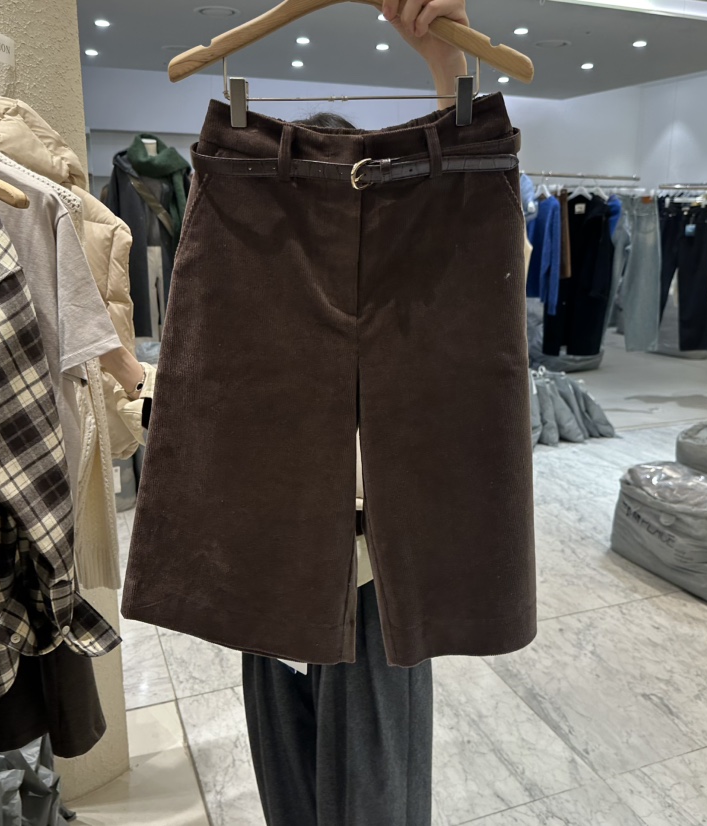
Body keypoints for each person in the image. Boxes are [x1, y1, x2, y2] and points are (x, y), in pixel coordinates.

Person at [240, 2, 473, 825]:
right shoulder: (256, 287)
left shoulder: (413, 290)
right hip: (272, 572)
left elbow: (474, 233)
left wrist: (446, 70)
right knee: (288, 785)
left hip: (376, 576)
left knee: (376, 794)